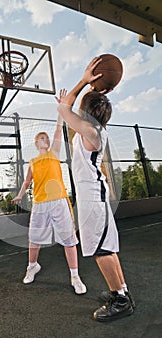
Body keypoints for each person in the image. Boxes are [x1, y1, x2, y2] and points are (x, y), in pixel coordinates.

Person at [56, 56, 135, 322]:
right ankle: (121, 291)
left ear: (87, 112)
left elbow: (66, 108)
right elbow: (71, 109)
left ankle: (121, 301)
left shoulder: (90, 130)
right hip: (95, 198)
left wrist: (84, 80)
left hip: (92, 200)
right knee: (107, 248)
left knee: (102, 251)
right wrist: (96, 90)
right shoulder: (93, 129)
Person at [11, 90, 86, 295]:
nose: (44, 138)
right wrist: (19, 195)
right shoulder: (33, 162)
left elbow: (57, 128)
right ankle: (32, 266)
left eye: (46, 137)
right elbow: (27, 182)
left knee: (69, 239)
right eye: (40, 138)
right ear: (36, 144)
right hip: (40, 203)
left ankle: (74, 276)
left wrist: (61, 109)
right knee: (34, 238)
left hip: (59, 201)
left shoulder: (54, 153)